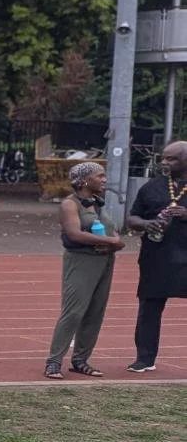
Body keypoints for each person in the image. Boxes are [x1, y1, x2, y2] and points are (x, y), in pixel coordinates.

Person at [47, 161, 124, 379]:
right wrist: (112, 241)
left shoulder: (97, 203)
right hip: (82, 261)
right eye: (100, 175)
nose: (104, 179)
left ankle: (80, 359)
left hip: (105, 261)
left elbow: (110, 230)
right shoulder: (70, 205)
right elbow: (74, 234)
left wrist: (115, 242)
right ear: (84, 180)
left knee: (95, 312)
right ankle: (53, 362)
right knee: (73, 312)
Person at [127, 140, 187, 373]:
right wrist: (146, 224)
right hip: (157, 258)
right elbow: (132, 218)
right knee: (149, 308)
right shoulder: (151, 187)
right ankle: (145, 358)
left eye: (171, 159)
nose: (164, 162)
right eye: (163, 158)